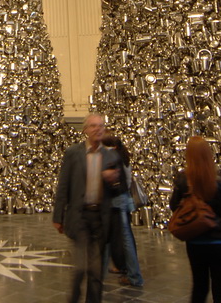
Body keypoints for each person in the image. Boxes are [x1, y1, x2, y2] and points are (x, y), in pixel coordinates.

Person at [53, 113, 121, 303]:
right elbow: (64, 185)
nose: (98, 129)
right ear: (85, 130)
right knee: (81, 267)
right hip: (80, 216)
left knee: (96, 271)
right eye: (93, 126)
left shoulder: (111, 155)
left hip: (100, 218)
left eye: (101, 125)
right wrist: (58, 216)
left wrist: (113, 181)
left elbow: (120, 188)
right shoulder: (73, 153)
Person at [169, 137, 221, 303]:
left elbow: (174, 206)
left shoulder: (183, 179)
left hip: (196, 243)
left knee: (199, 287)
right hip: (220, 243)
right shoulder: (220, 181)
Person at [100, 135, 143, 288]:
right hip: (123, 199)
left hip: (115, 200)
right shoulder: (123, 158)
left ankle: (133, 275)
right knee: (117, 238)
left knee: (118, 238)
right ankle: (104, 273)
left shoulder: (112, 158)